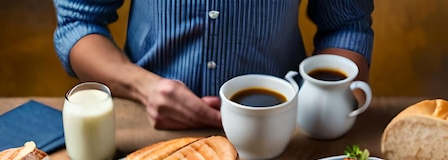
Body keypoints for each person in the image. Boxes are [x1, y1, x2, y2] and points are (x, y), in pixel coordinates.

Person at [53, 0, 374, 130]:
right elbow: (78, 23)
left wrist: (326, 103)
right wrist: (143, 87)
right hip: (147, 126)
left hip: (282, 133)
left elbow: (346, 26)